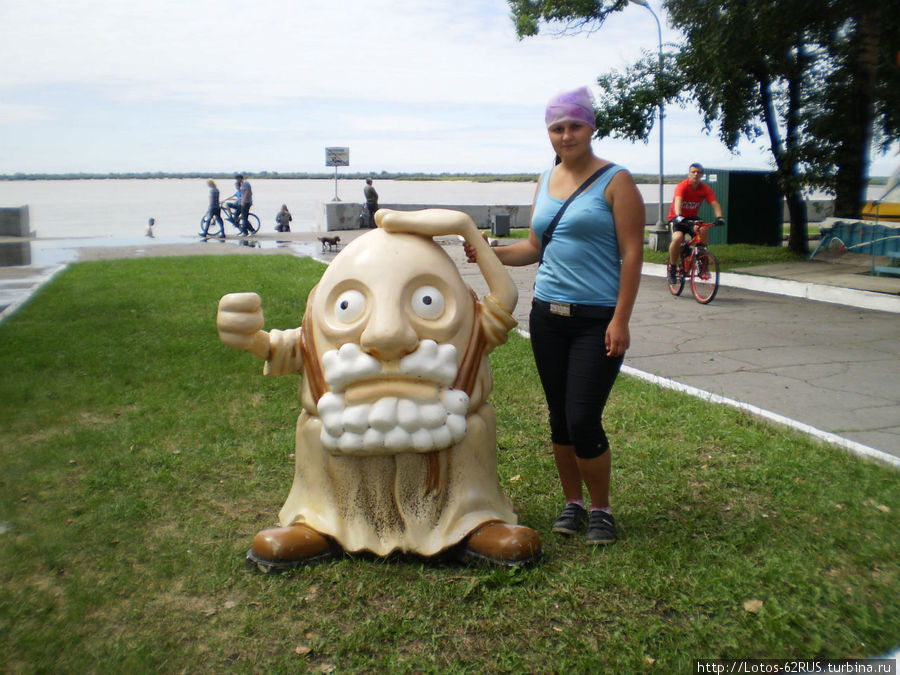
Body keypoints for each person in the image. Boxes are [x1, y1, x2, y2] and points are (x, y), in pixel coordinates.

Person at [464, 86, 644, 546]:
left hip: (595, 318)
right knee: (560, 417)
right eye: (557, 128)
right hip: (547, 317)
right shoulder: (544, 181)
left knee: (584, 417)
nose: (566, 136)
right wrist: (490, 251)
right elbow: (534, 248)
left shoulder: (616, 181)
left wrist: (620, 319)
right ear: (549, 132)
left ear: (591, 127)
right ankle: (573, 503)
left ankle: (601, 509)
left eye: (574, 126)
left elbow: (632, 254)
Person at [667, 163, 724, 284]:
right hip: (677, 218)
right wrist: (678, 215)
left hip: (692, 218)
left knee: (703, 229)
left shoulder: (705, 189)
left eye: (698, 172)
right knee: (678, 238)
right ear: (689, 174)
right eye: (693, 172)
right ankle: (672, 267)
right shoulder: (682, 186)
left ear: (702, 175)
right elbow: (678, 201)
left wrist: (719, 217)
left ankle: (702, 262)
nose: (696, 174)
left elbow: (715, 204)